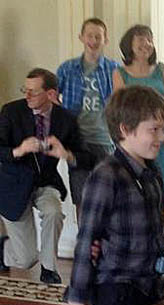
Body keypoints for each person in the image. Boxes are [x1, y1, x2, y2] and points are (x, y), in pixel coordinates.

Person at [63, 85, 164, 305]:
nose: (160, 138)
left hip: (149, 289)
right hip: (117, 293)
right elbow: (87, 240)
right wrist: (76, 301)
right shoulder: (106, 175)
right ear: (125, 129)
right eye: (154, 130)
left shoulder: (152, 173)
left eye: (162, 129)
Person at [0, 68, 91, 283]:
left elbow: (86, 157)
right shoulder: (11, 112)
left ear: (50, 94)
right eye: (26, 90)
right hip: (13, 187)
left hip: (46, 183)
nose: (27, 96)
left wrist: (66, 154)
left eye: (33, 91)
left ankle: (49, 270)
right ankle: (3, 249)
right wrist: (18, 150)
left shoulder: (65, 119)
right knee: (25, 259)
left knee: (54, 212)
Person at [113, 24, 164, 209]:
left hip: (161, 135)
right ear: (129, 45)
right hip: (135, 137)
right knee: (137, 190)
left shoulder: (161, 68)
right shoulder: (120, 73)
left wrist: (154, 120)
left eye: (149, 40)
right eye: (141, 40)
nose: (147, 44)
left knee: (163, 190)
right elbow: (121, 107)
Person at [57, 18, 119, 217]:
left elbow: (121, 102)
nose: (93, 40)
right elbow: (51, 97)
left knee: (108, 195)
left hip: (105, 139)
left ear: (105, 40)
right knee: (82, 197)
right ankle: (85, 242)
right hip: (77, 141)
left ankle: (105, 245)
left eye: (98, 36)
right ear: (81, 38)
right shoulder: (67, 69)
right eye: (90, 36)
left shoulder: (113, 69)